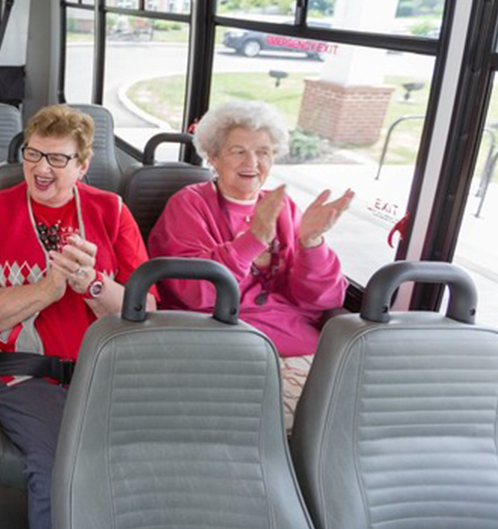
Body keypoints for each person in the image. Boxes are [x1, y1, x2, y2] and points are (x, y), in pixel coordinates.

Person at [0, 105, 154, 529]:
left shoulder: (112, 211)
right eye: (32, 154)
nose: (40, 168)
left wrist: (94, 286)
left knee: (143, 460)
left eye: (57, 158)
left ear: (83, 166)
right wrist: (48, 289)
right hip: (25, 373)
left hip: (104, 368)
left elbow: (147, 309)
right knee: (56, 467)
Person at [148, 99, 352, 429]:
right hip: (221, 343)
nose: (252, 162)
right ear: (213, 157)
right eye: (238, 151)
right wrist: (253, 239)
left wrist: (311, 242)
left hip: (298, 344)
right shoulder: (189, 204)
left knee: (354, 417)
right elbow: (195, 294)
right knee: (302, 427)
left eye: (264, 152)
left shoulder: (283, 206)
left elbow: (323, 301)